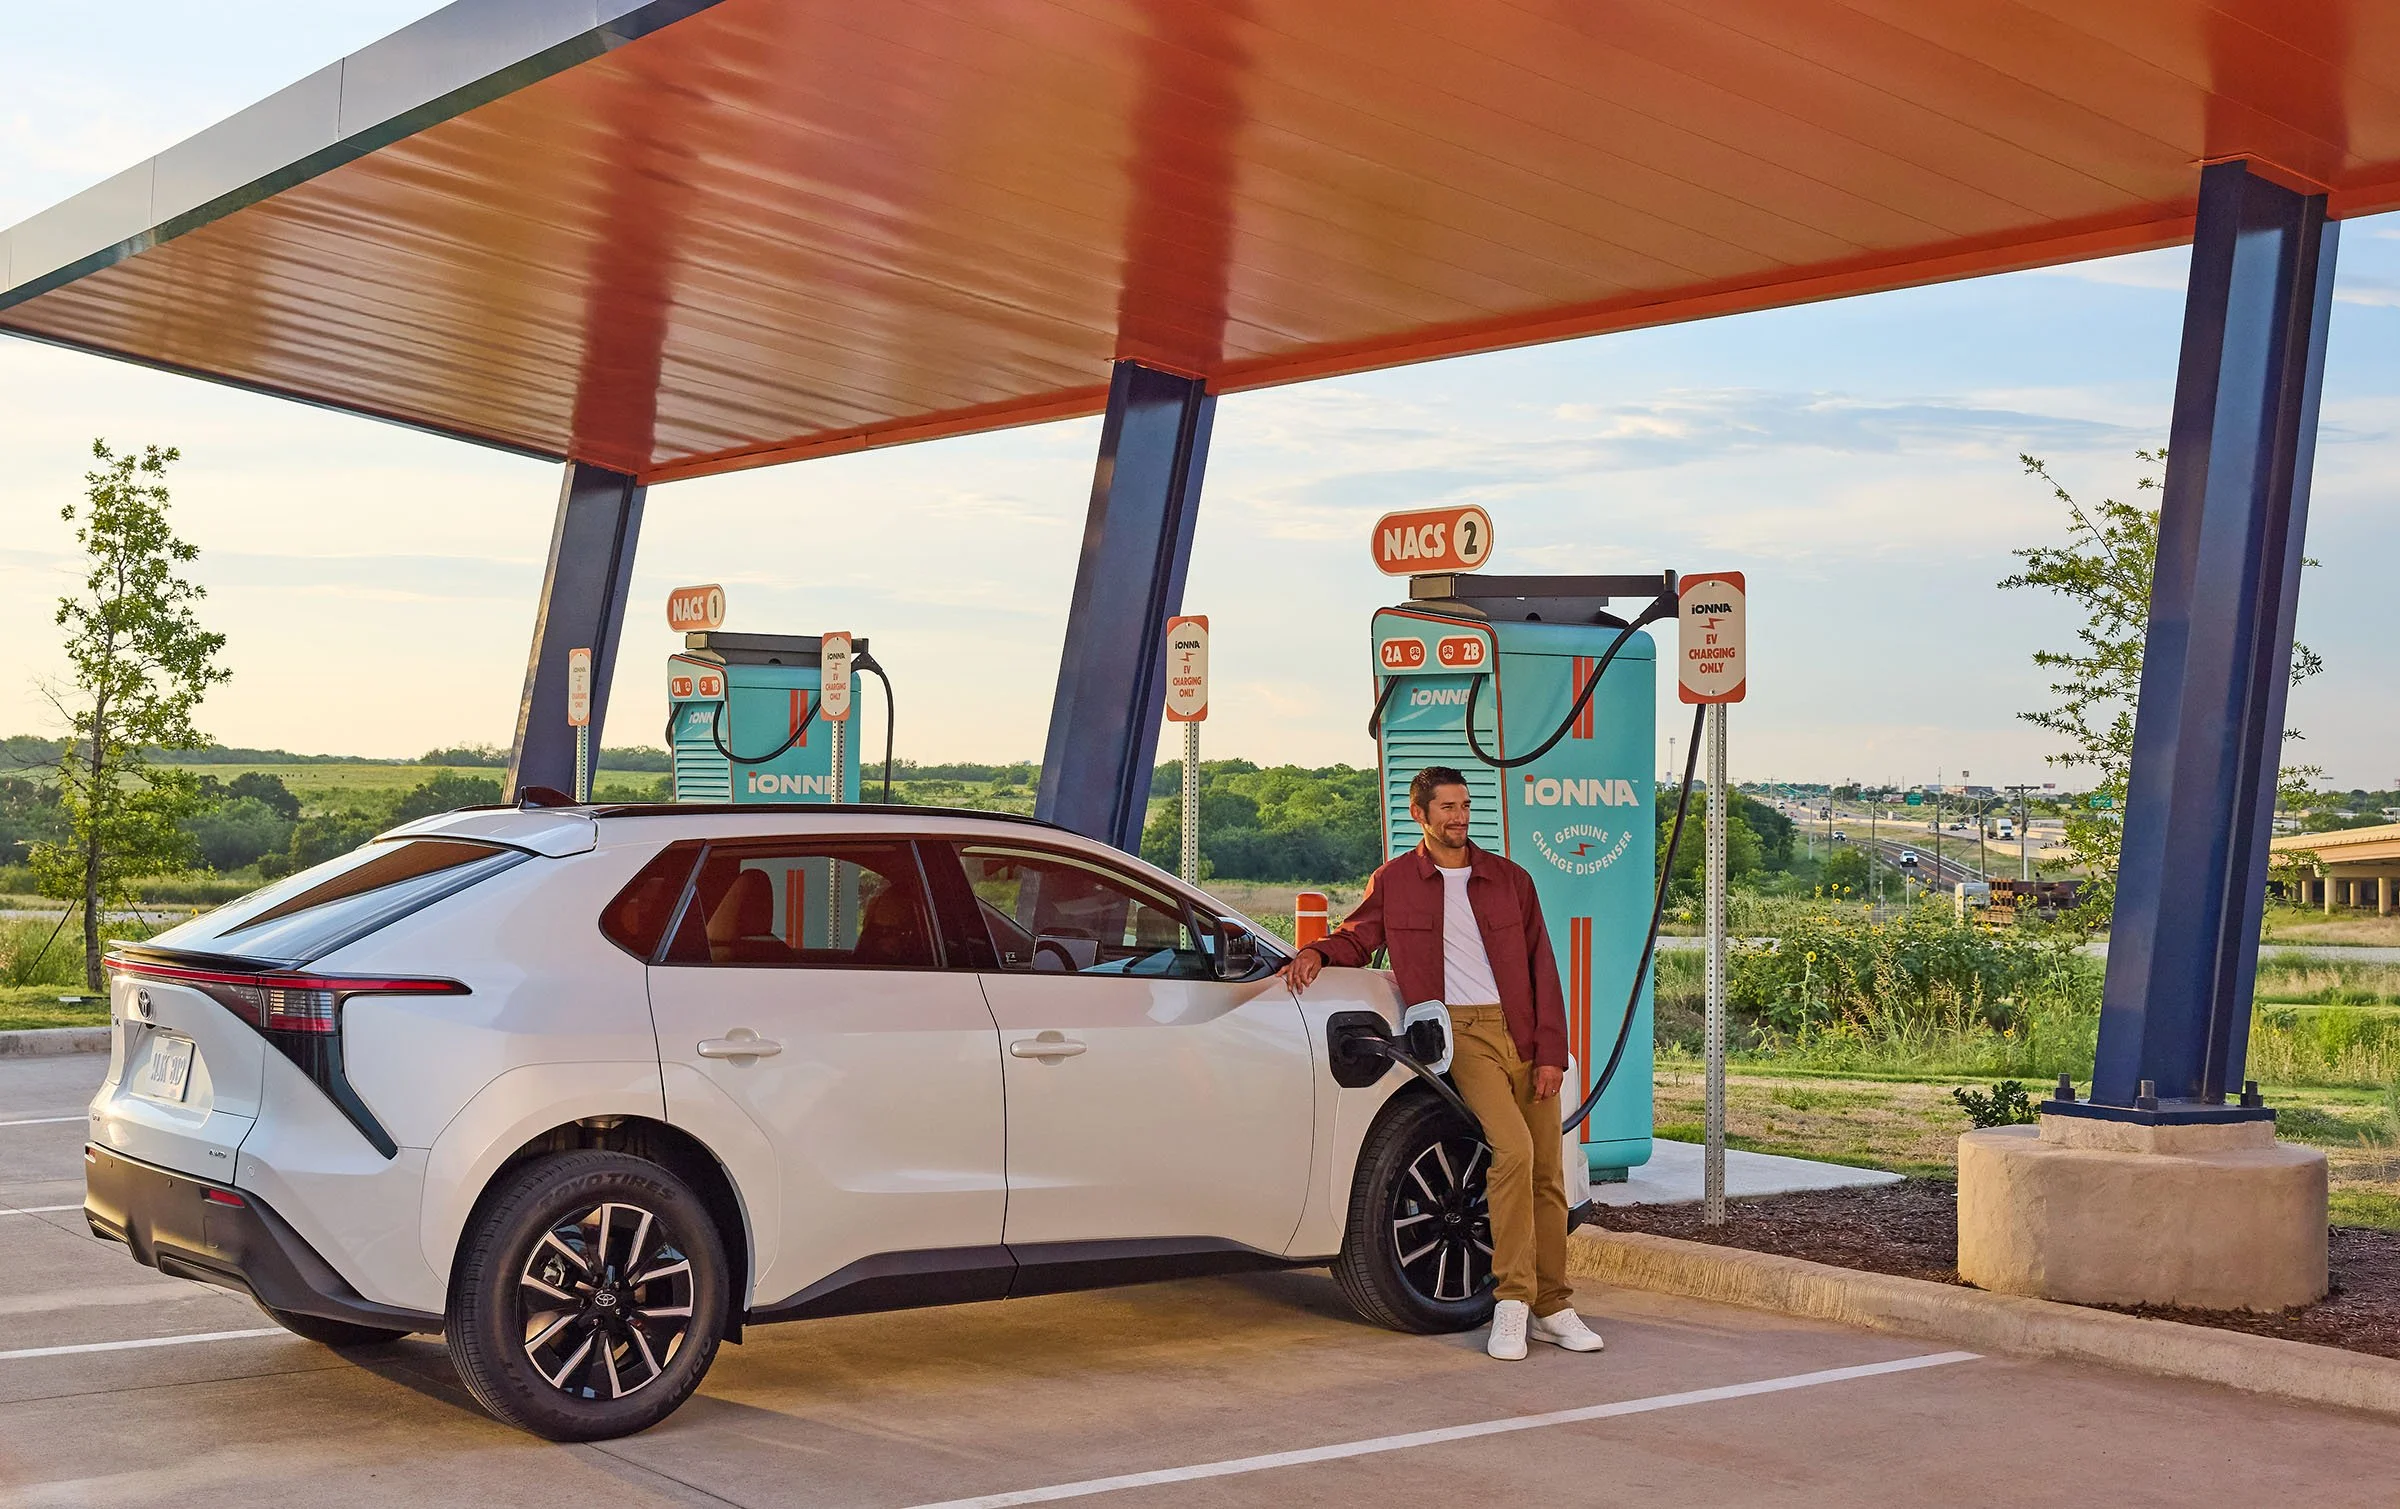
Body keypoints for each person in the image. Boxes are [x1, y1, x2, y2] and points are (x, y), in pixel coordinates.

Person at [1281, 766, 1604, 1361]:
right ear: (1420, 815)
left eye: (1464, 806)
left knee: (1547, 1172)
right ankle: (1511, 1303)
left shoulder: (1510, 880)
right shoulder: (1398, 880)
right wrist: (1315, 951)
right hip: (1461, 1032)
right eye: (1447, 808)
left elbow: (1544, 970)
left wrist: (1551, 1053)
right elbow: (1359, 935)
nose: (1459, 817)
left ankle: (1553, 1307)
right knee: (1513, 1151)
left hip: (1523, 1031)